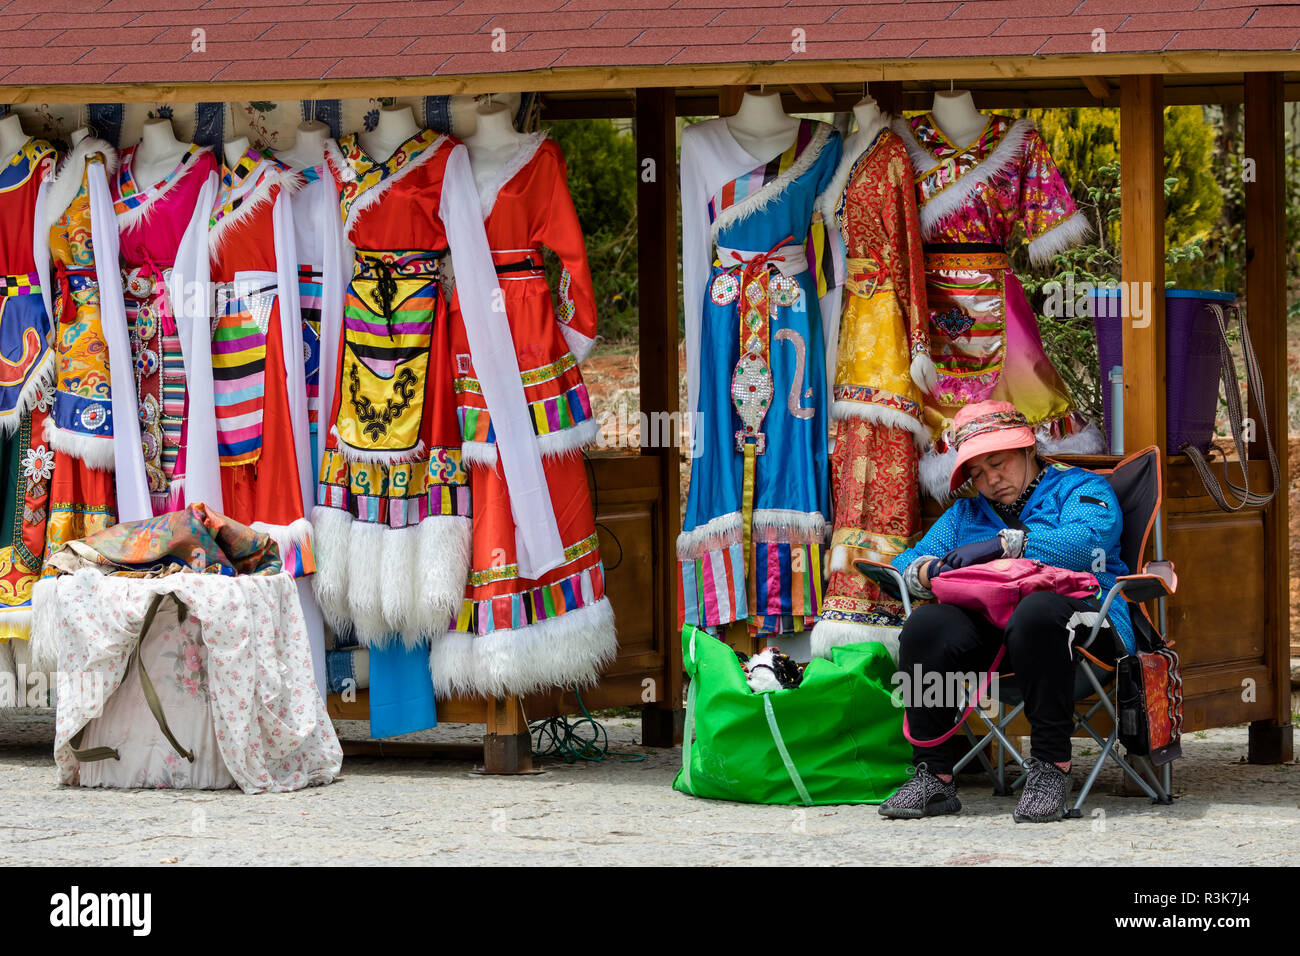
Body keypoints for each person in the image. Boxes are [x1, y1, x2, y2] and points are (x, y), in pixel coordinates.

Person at [877, 400, 1133, 823]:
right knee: (924, 625)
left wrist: (1008, 545)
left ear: (1029, 449)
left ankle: (1051, 768)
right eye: (977, 473)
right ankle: (932, 774)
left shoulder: (1081, 488)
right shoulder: (965, 513)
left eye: (999, 463)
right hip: (997, 647)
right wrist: (927, 570)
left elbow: (1090, 544)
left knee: (1035, 614)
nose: (991, 480)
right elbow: (910, 561)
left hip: (1084, 635)